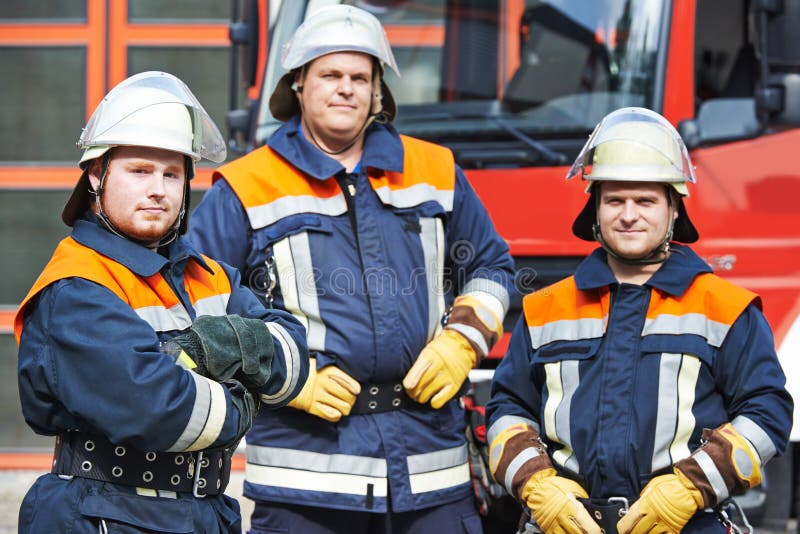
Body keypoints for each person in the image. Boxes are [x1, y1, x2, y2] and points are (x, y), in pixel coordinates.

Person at [188, 5, 515, 532]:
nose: (346, 88)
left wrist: (463, 342)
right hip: (308, 476)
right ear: (298, 83)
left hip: (431, 466)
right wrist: (284, 378)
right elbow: (197, 306)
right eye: (330, 75)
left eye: (360, 77)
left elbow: (493, 267)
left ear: (377, 90)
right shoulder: (246, 186)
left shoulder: (435, 169)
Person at [14, 71, 309, 533]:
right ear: (96, 174)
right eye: (140, 171)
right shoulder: (77, 288)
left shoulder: (208, 275)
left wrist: (209, 349)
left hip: (203, 513)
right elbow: (162, 411)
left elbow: (294, 356)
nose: (159, 189)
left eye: (172, 174)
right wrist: (246, 392)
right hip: (107, 515)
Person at [485, 107, 793, 533]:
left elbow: (766, 413)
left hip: (684, 523)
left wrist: (690, 488)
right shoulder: (545, 308)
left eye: (645, 200)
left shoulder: (725, 308)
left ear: (673, 209)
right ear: (595, 210)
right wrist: (538, 486)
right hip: (564, 524)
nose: (628, 215)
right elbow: (507, 408)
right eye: (614, 200)